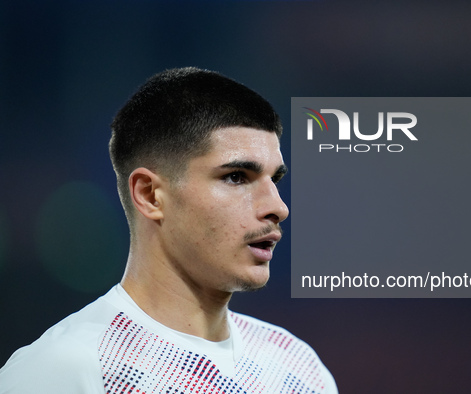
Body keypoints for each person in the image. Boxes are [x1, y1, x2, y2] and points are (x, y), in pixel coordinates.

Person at [0, 67, 338, 393]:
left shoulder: (299, 367)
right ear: (150, 195)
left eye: (274, 179)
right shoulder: (63, 371)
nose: (278, 207)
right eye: (236, 177)